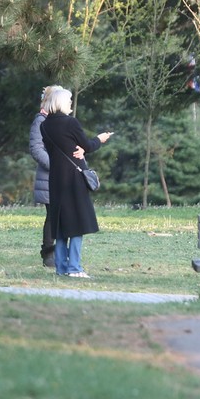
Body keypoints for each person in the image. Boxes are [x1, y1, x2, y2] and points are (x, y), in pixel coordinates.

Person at [40, 88, 113, 278]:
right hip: (74, 178)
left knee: (61, 225)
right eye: (69, 100)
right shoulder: (70, 122)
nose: (71, 103)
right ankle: (74, 267)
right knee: (77, 223)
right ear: (61, 102)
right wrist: (99, 139)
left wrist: (81, 148)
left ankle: (61, 267)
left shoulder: (44, 126)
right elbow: (87, 145)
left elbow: (65, 147)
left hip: (56, 179)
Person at [30, 85, 61, 268]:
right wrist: (56, 165)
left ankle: (60, 252)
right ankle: (48, 253)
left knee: (60, 214)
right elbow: (36, 149)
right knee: (52, 215)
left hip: (62, 175)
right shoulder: (41, 121)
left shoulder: (61, 120)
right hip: (49, 176)